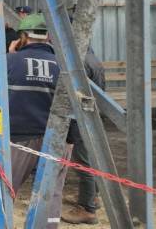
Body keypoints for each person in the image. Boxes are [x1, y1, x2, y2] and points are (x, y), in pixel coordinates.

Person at [0, 14, 68, 229]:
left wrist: (9, 56)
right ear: (48, 37)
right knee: (52, 191)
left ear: (22, 36)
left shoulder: (8, 62)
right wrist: (71, 139)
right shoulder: (62, 65)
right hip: (58, 137)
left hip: (20, 136)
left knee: (7, 182)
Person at [61, 47, 105, 225]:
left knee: (84, 165)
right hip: (93, 115)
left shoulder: (78, 62)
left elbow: (74, 96)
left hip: (82, 118)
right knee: (92, 160)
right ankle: (93, 197)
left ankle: (87, 209)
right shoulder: (92, 58)